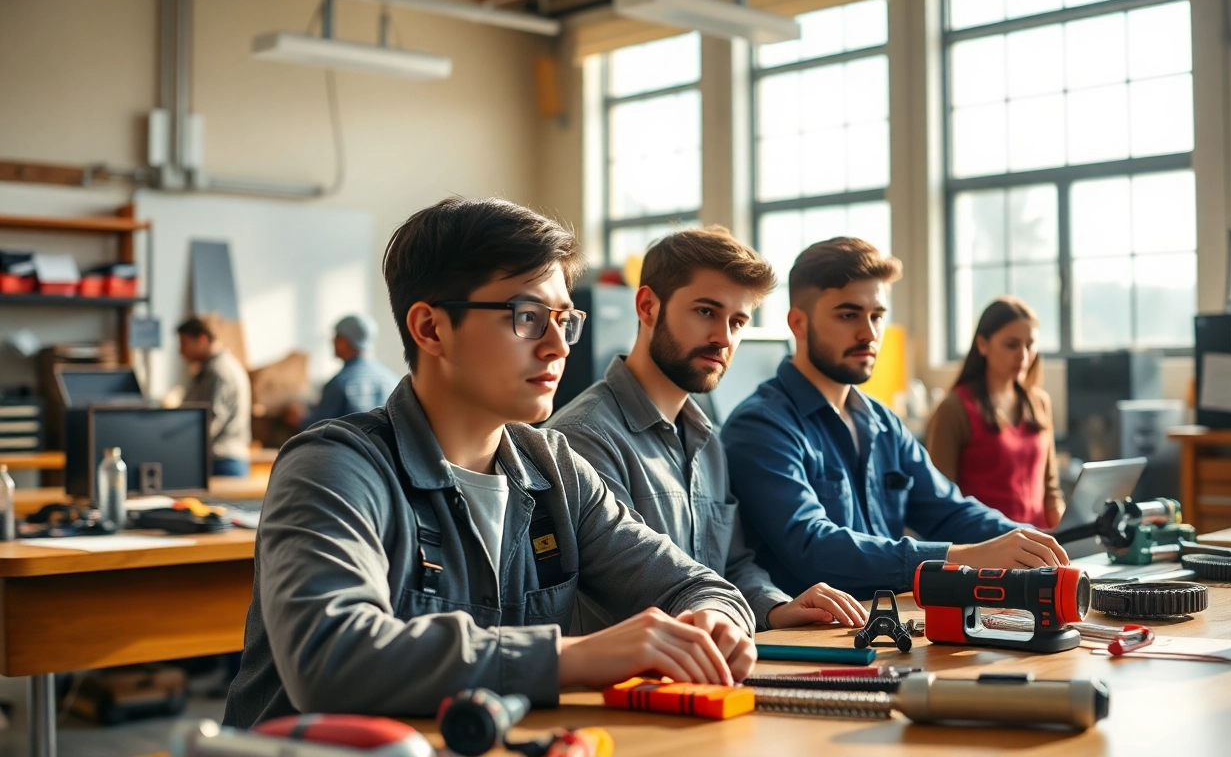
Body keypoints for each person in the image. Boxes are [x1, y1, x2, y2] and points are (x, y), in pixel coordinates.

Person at [223, 197, 756, 728]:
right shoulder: (333, 467)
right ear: (431, 329)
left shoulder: (556, 470)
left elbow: (697, 586)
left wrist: (715, 624)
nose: (558, 347)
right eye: (528, 317)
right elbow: (330, 655)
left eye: (564, 321)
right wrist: (574, 658)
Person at [548, 227, 868, 633]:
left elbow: (733, 565)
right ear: (647, 307)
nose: (724, 337)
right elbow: (641, 587)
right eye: (706, 312)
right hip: (640, 667)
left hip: (713, 652)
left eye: (738, 321)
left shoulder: (707, 440)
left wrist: (777, 608)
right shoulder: (582, 438)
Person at [721, 237, 1068, 598]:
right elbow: (814, 547)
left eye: (877, 316)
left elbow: (949, 511)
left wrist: (1038, 544)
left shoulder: (884, 423)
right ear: (799, 323)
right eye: (848, 315)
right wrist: (961, 557)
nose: (869, 333)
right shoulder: (761, 427)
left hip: (889, 622)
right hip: (812, 631)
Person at [925, 297, 1065, 528]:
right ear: (983, 344)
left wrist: (1067, 535)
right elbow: (941, 502)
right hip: (987, 543)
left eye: (1030, 345)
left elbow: (1050, 490)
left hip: (1040, 542)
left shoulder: (1039, 403)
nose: (1023, 356)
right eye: (1011, 345)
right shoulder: (954, 408)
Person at [285, 313, 402, 430]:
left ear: (344, 341)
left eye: (336, 337)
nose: (332, 341)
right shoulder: (392, 379)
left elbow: (318, 429)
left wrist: (299, 419)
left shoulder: (340, 383)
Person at [177, 316, 252, 477]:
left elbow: (211, 421)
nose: (180, 351)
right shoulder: (209, 369)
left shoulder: (220, 372)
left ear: (202, 339)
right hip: (218, 459)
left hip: (223, 462)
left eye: (184, 343)